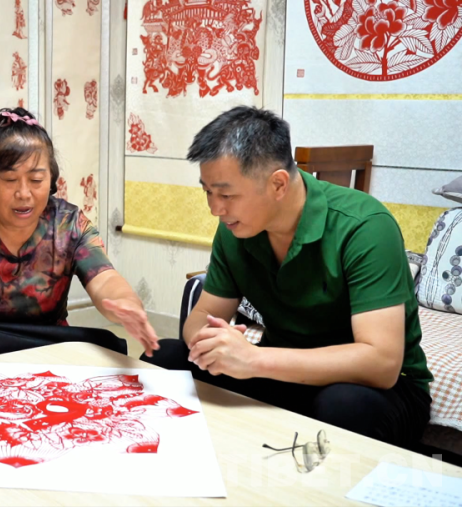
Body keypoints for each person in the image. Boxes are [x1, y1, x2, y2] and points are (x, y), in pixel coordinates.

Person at [142, 106, 433, 449]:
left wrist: (253, 359)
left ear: (278, 184)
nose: (215, 209)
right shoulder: (235, 231)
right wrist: (213, 342)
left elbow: (381, 363)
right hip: (281, 372)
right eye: (207, 192)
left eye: (226, 195)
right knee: (163, 359)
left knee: (343, 406)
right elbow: (201, 317)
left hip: (376, 389)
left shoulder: (365, 227)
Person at [0, 107, 159, 361]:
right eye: (10, 180)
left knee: (105, 345)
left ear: (51, 178)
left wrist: (126, 303)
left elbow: (104, 279)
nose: (24, 193)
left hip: (39, 339)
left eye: (36, 180)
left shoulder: (68, 223)